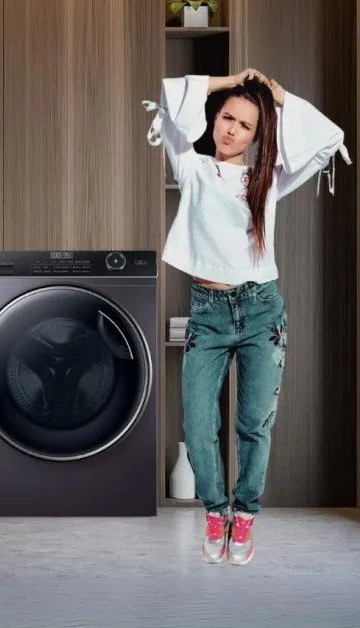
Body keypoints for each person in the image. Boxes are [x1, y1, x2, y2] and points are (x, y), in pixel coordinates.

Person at [142, 68, 352, 566]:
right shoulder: (191, 166)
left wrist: (278, 94)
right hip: (207, 315)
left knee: (255, 424)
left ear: (259, 136)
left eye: (246, 125)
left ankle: (247, 514)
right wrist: (231, 79)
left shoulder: (268, 180)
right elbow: (169, 101)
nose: (232, 129)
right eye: (227, 117)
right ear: (215, 117)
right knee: (198, 425)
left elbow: (327, 139)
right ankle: (217, 511)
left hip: (261, 312)